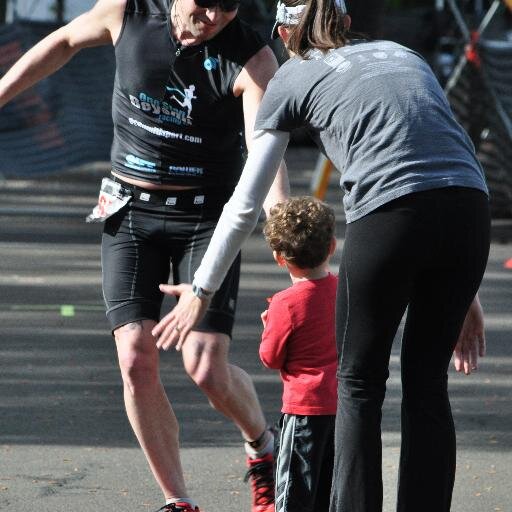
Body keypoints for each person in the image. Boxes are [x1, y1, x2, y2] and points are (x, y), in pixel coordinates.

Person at [152, 0, 491, 511]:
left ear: (284, 36)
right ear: (348, 24)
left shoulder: (292, 75)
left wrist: (201, 289)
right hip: (469, 210)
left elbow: (248, 200)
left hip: (391, 212)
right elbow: (437, 151)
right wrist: (466, 290)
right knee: (427, 382)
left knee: (357, 382)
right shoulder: (404, 54)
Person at [0, 1, 290, 511]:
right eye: (206, 2)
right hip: (130, 212)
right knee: (135, 357)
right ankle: (178, 500)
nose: (215, 16)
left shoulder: (252, 58)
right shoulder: (129, 11)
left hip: (204, 220)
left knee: (205, 368)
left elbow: (265, 160)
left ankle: (263, 447)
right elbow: (63, 42)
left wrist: (286, 230)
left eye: (229, 6)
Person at [259, 196, 338, 512]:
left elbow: (270, 357)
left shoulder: (285, 303)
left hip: (303, 408)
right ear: (331, 247)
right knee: (327, 487)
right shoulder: (342, 288)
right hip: (338, 405)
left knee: (293, 489)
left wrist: (269, 326)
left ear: (280, 258)